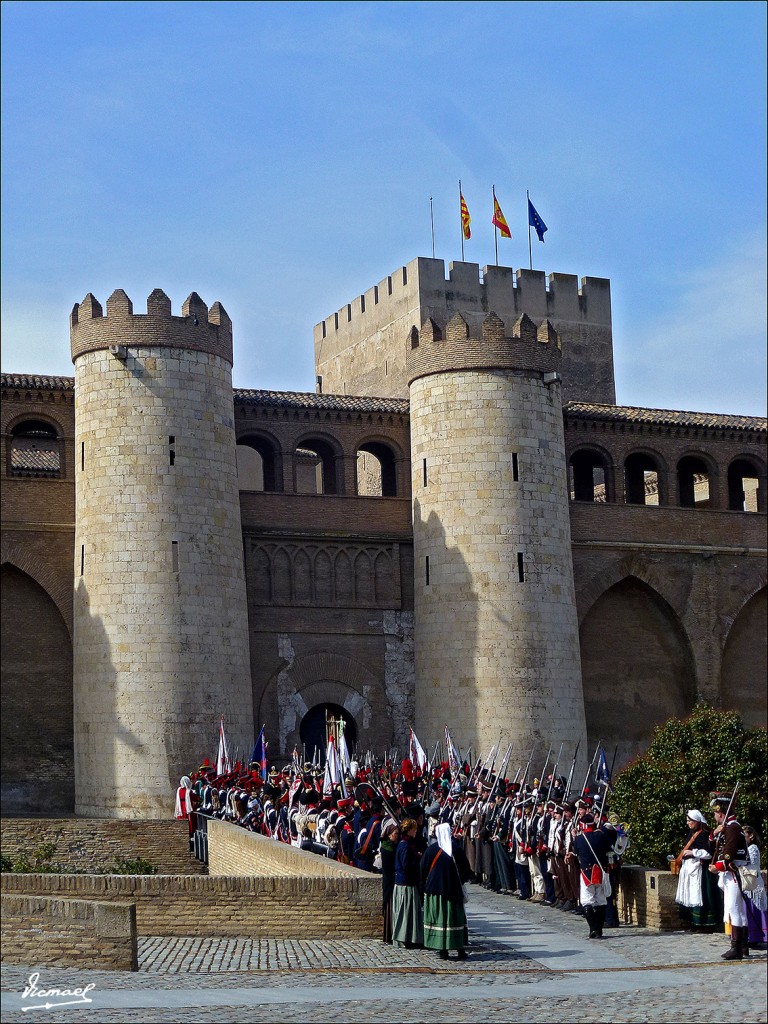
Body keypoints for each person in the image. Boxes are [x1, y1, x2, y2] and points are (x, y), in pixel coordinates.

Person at [421, 821, 471, 960]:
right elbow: (466, 870)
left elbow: (423, 869)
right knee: (456, 920)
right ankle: (460, 949)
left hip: (436, 893)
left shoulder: (431, 850)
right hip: (454, 892)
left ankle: (442, 950)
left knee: (440, 919)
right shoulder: (455, 849)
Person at [708, 792, 750, 960]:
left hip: (733, 872)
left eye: (715, 812)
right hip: (730, 873)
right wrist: (714, 833)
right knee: (737, 910)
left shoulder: (733, 827)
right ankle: (743, 946)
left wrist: (716, 867)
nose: (714, 816)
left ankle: (737, 948)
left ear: (721, 812)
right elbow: (715, 845)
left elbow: (728, 855)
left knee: (734, 909)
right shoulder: (728, 827)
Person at [674, 809, 720, 928]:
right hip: (690, 869)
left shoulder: (704, 834)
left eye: (690, 821)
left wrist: (693, 852)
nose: (688, 823)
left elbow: (708, 853)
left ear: (697, 821)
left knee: (701, 896)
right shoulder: (692, 833)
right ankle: (692, 922)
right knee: (690, 894)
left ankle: (704, 923)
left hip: (700, 871)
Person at [573, 812, 610, 939]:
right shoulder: (601, 835)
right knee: (600, 901)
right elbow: (608, 848)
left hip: (586, 873)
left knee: (587, 901)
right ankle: (599, 930)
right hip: (600, 871)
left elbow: (576, 852)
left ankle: (593, 929)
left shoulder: (579, 838)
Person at [392, 818, 423, 948]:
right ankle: (405, 938)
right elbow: (406, 865)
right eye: (414, 829)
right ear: (409, 830)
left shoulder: (405, 844)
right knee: (406, 914)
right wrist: (417, 859)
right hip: (406, 884)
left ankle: (408, 937)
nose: (416, 831)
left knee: (408, 913)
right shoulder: (405, 845)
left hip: (404, 882)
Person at [743, 825, 768, 947]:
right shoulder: (746, 848)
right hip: (748, 883)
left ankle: (755, 937)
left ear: (751, 836)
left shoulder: (753, 849)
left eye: (744, 836)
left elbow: (750, 864)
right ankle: (748, 936)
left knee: (754, 908)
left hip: (753, 882)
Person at [380, 818, 400, 944]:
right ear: (389, 834)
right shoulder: (387, 849)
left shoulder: (393, 847)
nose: (397, 836)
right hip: (390, 883)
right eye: (395, 834)